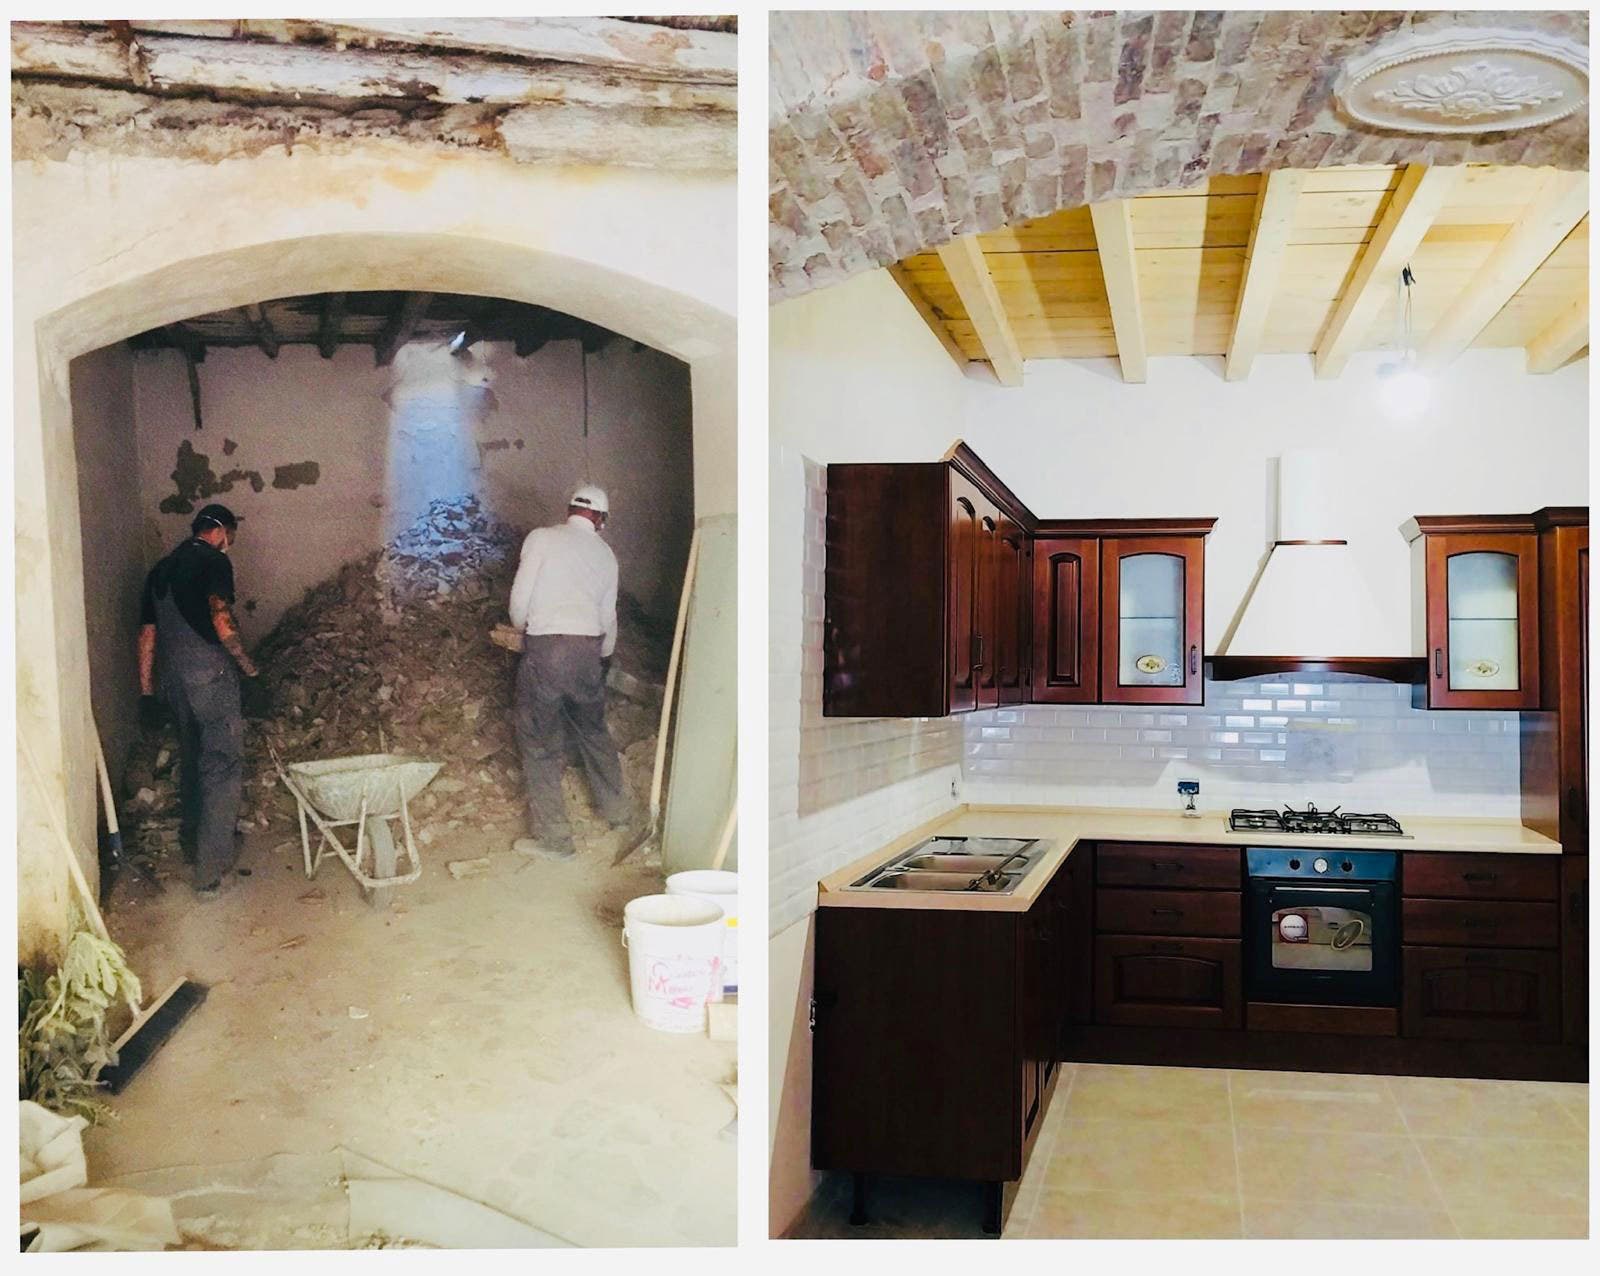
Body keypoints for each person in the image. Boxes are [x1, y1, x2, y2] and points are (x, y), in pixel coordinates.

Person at [506, 484, 636, 861]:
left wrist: (523, 629)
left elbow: (519, 600)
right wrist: (601, 656)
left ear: (570, 511)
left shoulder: (541, 538)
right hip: (588, 651)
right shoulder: (606, 555)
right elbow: (607, 618)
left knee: (540, 742)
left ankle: (556, 840)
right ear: (600, 519)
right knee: (593, 732)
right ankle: (619, 815)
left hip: (546, 649)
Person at [137, 503, 257, 896]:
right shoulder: (214, 562)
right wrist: (248, 669)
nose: (230, 542)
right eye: (230, 535)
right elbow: (221, 618)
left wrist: (146, 693)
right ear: (220, 530)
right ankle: (210, 873)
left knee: (192, 759)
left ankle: (193, 844)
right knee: (222, 765)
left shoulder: (160, 570)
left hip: (174, 683)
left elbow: (148, 635)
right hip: (209, 678)